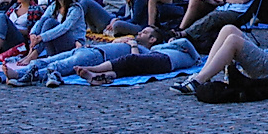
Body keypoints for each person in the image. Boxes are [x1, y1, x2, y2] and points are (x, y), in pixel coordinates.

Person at [0, 27, 167, 87]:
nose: (139, 33)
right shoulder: (128, 40)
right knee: (46, 60)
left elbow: (135, 62)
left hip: (96, 57)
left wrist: (133, 45)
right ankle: (8, 74)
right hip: (90, 50)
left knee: (59, 66)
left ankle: (1, 76)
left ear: (152, 40)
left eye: (145, 33)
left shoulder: (144, 50)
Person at [74, 36, 202, 86]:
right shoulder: (157, 50)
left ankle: (93, 68)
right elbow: (147, 53)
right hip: (163, 63)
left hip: (166, 60)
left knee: (131, 60)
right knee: (129, 70)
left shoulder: (184, 51)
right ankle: (99, 77)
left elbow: (184, 41)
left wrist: (171, 43)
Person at [17, 0, 86, 65]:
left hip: (73, 44)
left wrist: (41, 37)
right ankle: (31, 54)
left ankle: (33, 55)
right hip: (55, 44)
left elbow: (64, 28)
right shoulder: (53, 6)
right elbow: (41, 20)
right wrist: (33, 33)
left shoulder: (75, 9)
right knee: (45, 20)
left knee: (49, 23)